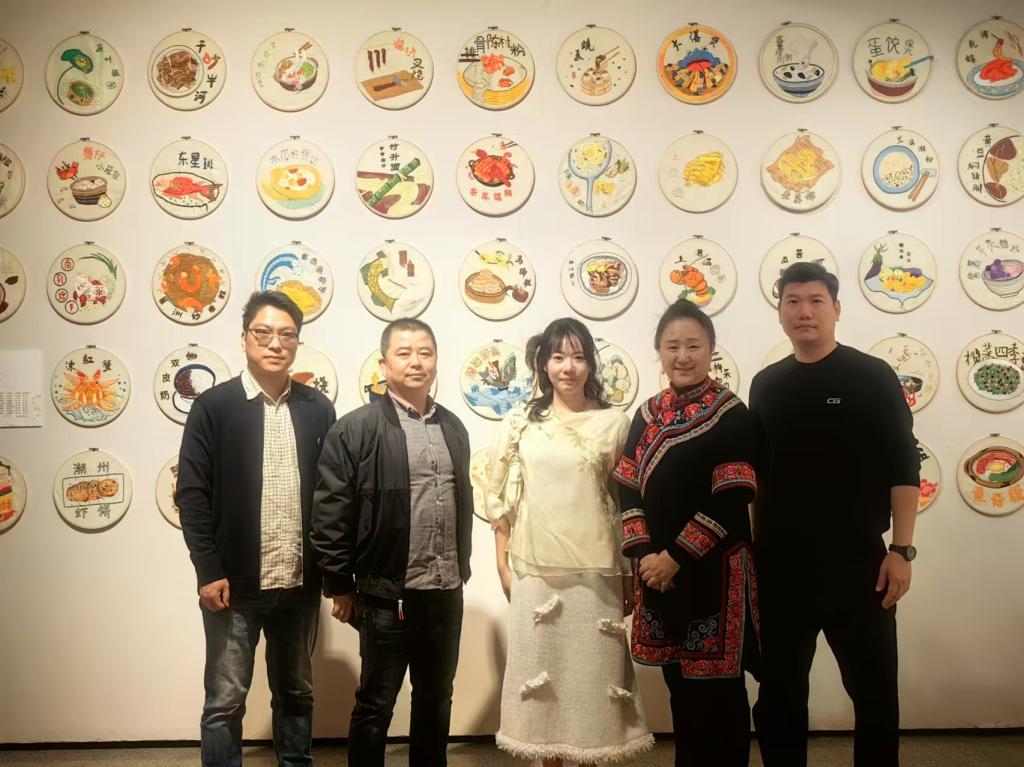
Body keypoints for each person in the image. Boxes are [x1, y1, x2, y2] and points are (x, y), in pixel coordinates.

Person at [749, 262, 920, 767]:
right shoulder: (766, 385)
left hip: (860, 566)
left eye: (815, 301)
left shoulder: (872, 376)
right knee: (778, 697)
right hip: (782, 568)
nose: (804, 311)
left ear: (837, 309)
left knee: (874, 694)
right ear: (780, 313)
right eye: (792, 301)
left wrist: (901, 550)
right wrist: (756, 553)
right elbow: (759, 479)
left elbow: (903, 465)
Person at [176, 291, 336, 767]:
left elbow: (332, 496)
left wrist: (332, 572)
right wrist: (208, 570)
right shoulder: (214, 406)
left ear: (298, 342)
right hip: (234, 585)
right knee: (225, 700)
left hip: (298, 584)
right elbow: (192, 494)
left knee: (297, 693)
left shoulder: (318, 408)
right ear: (245, 337)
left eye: (286, 334)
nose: (275, 343)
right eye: (263, 333)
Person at [485, 318, 654, 766]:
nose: (568, 367)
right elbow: (500, 495)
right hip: (535, 569)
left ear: (591, 364)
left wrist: (629, 574)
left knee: (591, 684)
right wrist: (501, 562)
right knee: (545, 683)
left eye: (579, 357)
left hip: (597, 571)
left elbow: (625, 503)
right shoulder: (520, 422)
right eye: (558, 356)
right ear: (543, 363)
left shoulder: (613, 423)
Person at [311, 318, 473, 767]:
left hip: (446, 591)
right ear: (383, 365)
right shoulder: (355, 429)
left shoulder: (454, 427)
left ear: (436, 361)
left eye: (425, 352)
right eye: (404, 353)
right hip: (387, 596)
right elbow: (330, 513)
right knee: (375, 704)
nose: (416, 361)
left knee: (436, 700)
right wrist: (339, 585)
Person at [612, 300, 760, 767]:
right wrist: (646, 556)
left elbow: (732, 495)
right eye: (672, 346)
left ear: (711, 349)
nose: (682, 356)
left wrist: (675, 556)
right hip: (660, 577)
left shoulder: (731, 413)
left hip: (714, 575)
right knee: (680, 692)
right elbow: (626, 485)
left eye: (693, 346)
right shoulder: (647, 413)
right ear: (659, 351)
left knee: (721, 697)